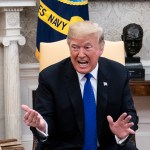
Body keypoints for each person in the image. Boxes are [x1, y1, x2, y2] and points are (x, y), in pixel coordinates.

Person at [22, 21, 139, 150]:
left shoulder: (118, 73)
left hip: (108, 146)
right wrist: (42, 125)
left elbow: (130, 114)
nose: (81, 54)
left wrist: (122, 133)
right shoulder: (50, 77)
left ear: (101, 48)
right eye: (75, 47)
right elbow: (46, 118)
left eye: (87, 47)